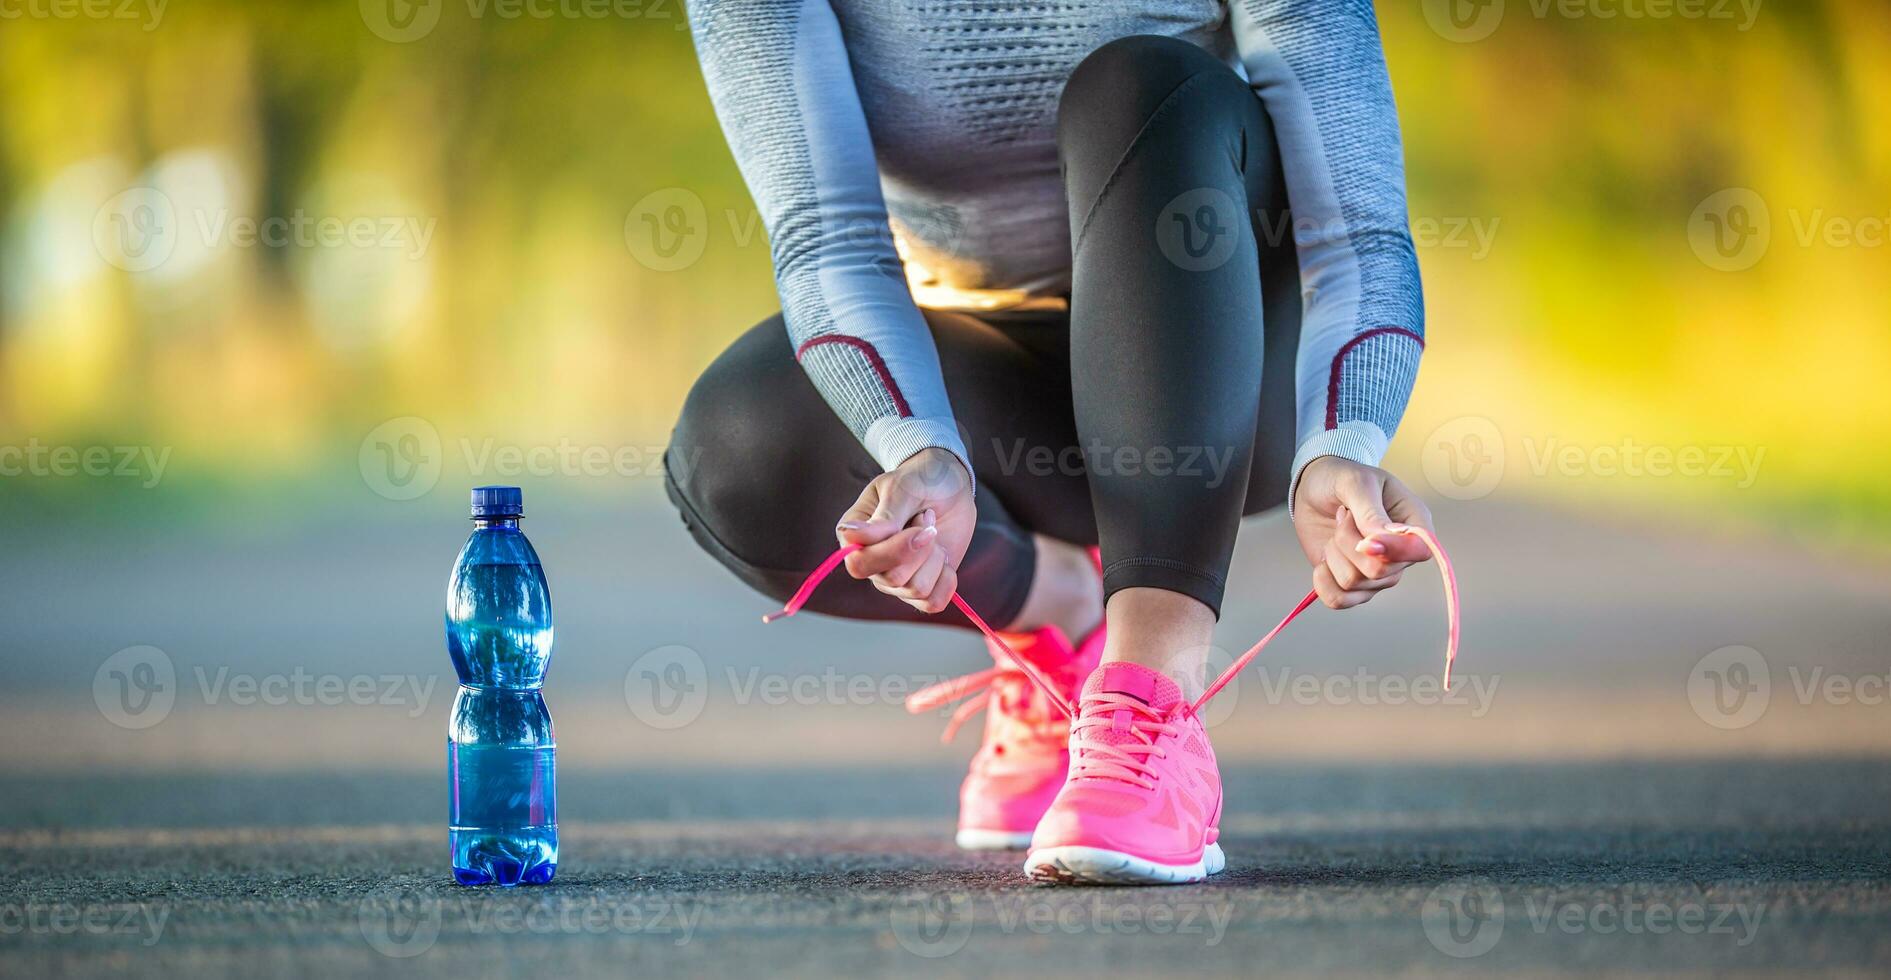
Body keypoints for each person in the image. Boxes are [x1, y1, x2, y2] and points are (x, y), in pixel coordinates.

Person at [666, 0, 1436, 885]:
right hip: (1003, 383)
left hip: (1230, 372)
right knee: (738, 447)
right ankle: (1059, 618)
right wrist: (923, 450)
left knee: (1138, 81)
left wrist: (1339, 439)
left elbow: (1358, 231)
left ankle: (1147, 701)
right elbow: (827, 239)